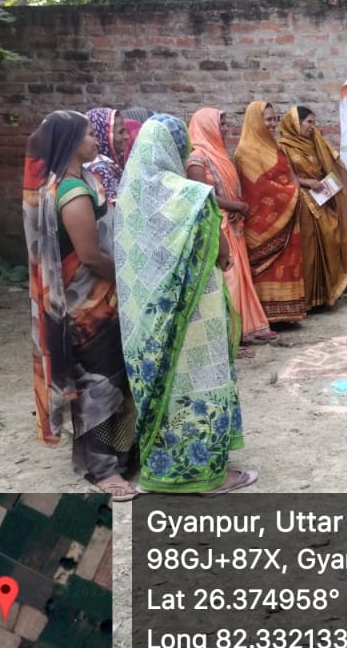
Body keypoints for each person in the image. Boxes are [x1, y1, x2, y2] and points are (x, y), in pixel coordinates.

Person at [115, 115, 255, 495]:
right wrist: (223, 255)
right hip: (196, 317)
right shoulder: (190, 196)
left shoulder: (128, 197)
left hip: (146, 323)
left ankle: (161, 471)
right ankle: (208, 476)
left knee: (165, 391)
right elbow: (219, 249)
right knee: (200, 383)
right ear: (175, 149)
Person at [22, 111, 136, 501]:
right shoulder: (71, 191)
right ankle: (103, 469)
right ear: (71, 142)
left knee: (113, 377)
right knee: (98, 383)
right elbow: (89, 255)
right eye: (89, 134)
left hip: (104, 299)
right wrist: (128, 278)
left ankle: (116, 453)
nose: (96, 139)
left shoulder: (85, 179)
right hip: (88, 306)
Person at [187, 107, 275, 350]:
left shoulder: (220, 155)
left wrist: (236, 207)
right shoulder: (197, 158)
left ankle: (245, 329)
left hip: (233, 223)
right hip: (217, 226)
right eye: (221, 124)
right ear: (206, 126)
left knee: (241, 277)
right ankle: (229, 338)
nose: (225, 129)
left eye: (225, 124)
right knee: (229, 279)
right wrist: (236, 205)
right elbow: (203, 196)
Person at [278, 106, 347, 310]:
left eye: (313, 123)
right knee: (307, 251)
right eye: (308, 122)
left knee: (328, 245)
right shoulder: (283, 147)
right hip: (301, 206)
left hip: (321, 202)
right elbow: (282, 176)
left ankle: (323, 296)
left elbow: (329, 166)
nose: (312, 127)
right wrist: (306, 182)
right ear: (295, 123)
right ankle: (306, 299)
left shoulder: (315, 143)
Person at [233, 101, 307, 325]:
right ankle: (265, 315)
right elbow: (259, 188)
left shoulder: (277, 147)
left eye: (275, 119)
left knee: (288, 262)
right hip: (262, 220)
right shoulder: (245, 152)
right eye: (268, 119)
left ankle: (288, 312)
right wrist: (293, 194)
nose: (273, 124)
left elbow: (291, 175)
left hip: (287, 216)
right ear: (256, 121)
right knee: (265, 269)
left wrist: (295, 192)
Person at [84, 107, 128, 203]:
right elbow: (115, 208)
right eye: (121, 132)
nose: (127, 136)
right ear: (103, 135)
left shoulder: (110, 163)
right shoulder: (101, 170)